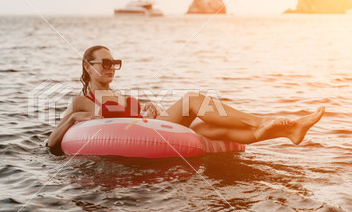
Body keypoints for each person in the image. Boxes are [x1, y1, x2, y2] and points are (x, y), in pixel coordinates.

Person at [47, 45, 325, 152]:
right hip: (142, 134)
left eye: (115, 62)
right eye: (105, 62)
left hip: (152, 126)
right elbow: (50, 143)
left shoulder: (118, 94)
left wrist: (149, 107)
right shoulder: (82, 101)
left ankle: (289, 130)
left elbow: (136, 117)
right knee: (194, 101)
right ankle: (264, 122)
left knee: (209, 129)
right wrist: (72, 118)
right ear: (88, 66)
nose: (110, 66)